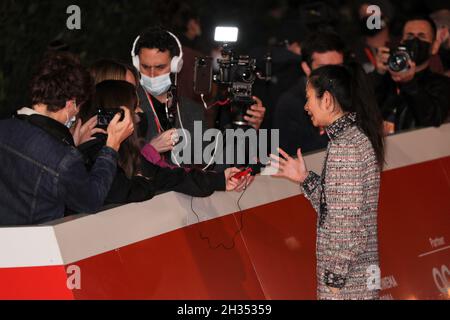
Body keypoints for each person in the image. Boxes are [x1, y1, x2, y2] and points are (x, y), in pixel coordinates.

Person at [270, 63, 384, 300]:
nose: (306, 106)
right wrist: (305, 179)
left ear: (328, 100)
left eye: (309, 98)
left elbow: (351, 228)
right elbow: (335, 210)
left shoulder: (346, 147)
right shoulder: (349, 139)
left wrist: (335, 278)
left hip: (349, 285)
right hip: (355, 278)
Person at [0, 52, 133, 226]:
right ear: (70, 104)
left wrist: (71, 146)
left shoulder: (5, 127)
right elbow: (91, 199)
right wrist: (112, 146)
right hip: (39, 247)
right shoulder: (63, 159)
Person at [79, 80, 251, 205]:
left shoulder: (128, 151)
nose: (139, 113)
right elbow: (125, 192)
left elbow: (169, 177)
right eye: (135, 107)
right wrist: (144, 182)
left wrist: (220, 180)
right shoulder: (92, 153)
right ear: (116, 114)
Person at [130, 27, 266, 168]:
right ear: (136, 64)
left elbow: (213, 167)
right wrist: (150, 151)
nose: (152, 74)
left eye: (160, 67)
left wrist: (249, 128)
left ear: (176, 65)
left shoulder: (191, 110)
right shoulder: (128, 107)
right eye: (145, 67)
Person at [373, 15, 450, 134]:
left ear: (434, 47)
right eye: (409, 36)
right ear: (401, 43)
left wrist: (409, 83)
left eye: (421, 36)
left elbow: (432, 119)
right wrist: (378, 73)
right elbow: (359, 108)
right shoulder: (385, 78)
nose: (414, 41)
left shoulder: (442, 84)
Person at [274, 31, 345, 156]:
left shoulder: (348, 91)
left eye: (338, 67)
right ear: (306, 68)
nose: (333, 74)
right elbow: (295, 155)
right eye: (324, 68)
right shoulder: (291, 102)